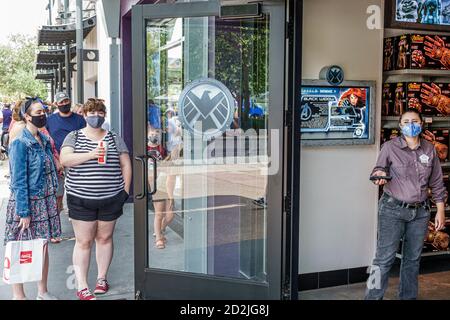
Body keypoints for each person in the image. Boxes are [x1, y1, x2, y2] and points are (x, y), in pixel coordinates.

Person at [365, 108, 447, 300]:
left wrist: (440, 210)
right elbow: (379, 168)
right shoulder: (389, 147)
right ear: (400, 126)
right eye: (407, 122)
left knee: (412, 260)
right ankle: (371, 298)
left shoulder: (429, 149)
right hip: (392, 210)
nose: (411, 125)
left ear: (421, 124)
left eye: (415, 121)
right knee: (382, 261)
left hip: (420, 213)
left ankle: (408, 297)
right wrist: (378, 175)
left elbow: (436, 182)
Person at [60, 98, 132, 300]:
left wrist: (124, 192)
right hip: (81, 198)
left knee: (105, 238)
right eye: (92, 113)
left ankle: (102, 278)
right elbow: (65, 160)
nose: (96, 117)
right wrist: (92, 154)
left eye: (100, 113)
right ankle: (82, 285)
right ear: (84, 115)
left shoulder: (113, 137)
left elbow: (126, 164)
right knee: (84, 242)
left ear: (105, 115)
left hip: (111, 198)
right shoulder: (73, 136)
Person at [4, 97, 61, 300]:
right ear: (27, 116)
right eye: (37, 112)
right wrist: (24, 212)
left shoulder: (44, 140)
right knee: (19, 247)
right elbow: (18, 181)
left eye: (43, 111)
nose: (42, 114)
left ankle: (42, 291)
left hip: (45, 201)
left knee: (43, 247)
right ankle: (18, 295)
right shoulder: (20, 142)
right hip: (28, 202)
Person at [46, 92, 86, 214]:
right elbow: (47, 140)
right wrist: (55, 159)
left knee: (77, 190)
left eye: (66, 101)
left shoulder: (80, 120)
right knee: (57, 193)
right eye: (61, 102)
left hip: (75, 160)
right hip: (56, 161)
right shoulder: (50, 120)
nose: (64, 104)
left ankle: (77, 214)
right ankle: (56, 218)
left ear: (70, 101)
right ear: (56, 104)